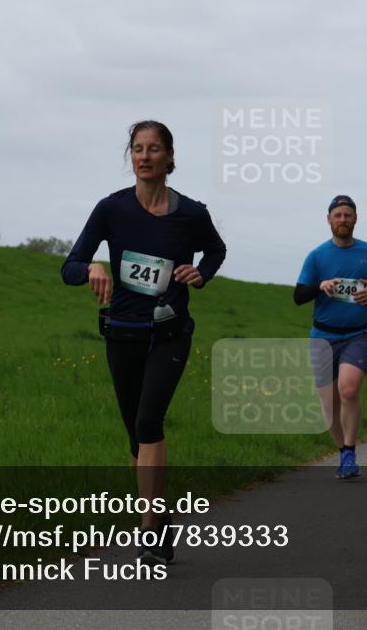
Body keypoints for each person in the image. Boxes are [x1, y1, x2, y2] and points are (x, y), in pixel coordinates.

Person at [61, 120, 227, 565]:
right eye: (138, 148)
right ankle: (162, 515)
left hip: (170, 332)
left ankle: (149, 529)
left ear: (170, 158)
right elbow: (70, 264)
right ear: (131, 156)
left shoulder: (192, 213)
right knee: (136, 436)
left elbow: (215, 250)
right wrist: (93, 269)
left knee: (150, 421)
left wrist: (201, 274)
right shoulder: (111, 210)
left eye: (155, 148)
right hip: (122, 333)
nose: (145, 156)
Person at [294, 195, 367, 479]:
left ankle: (350, 451)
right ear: (328, 220)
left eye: (348, 215)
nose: (343, 220)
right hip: (322, 336)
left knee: (349, 389)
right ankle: (343, 451)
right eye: (338, 215)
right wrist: (321, 285)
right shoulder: (317, 256)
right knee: (329, 405)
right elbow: (298, 297)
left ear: (356, 219)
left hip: (359, 334)